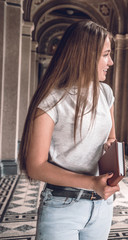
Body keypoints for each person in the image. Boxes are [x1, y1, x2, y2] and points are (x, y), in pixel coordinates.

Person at [18, 20, 120, 240]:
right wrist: (91, 183)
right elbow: (35, 167)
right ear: (85, 55)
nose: (110, 62)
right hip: (62, 207)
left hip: (102, 206)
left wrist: (111, 150)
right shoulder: (52, 99)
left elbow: (111, 137)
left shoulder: (106, 93)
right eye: (105, 54)